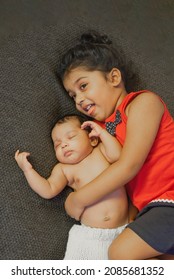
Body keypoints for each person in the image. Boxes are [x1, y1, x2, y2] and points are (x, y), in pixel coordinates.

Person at [57, 30, 174, 260]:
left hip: (170, 198)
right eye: (72, 96)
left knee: (120, 254)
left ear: (113, 78)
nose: (79, 100)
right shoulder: (100, 131)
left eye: (83, 86)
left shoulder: (143, 103)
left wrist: (79, 198)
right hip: (153, 211)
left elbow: (129, 166)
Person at [14, 114, 128, 260]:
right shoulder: (64, 169)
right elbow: (48, 189)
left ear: (92, 139)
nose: (63, 145)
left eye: (71, 137)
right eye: (57, 144)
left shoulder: (101, 151)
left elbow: (118, 156)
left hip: (125, 231)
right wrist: (28, 171)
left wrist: (102, 133)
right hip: (90, 237)